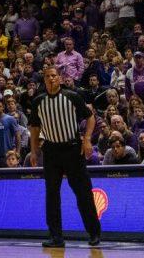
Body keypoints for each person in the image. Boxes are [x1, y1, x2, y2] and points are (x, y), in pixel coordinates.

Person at [29, 66, 101, 247]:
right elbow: (35, 129)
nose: (51, 79)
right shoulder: (38, 101)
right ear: (44, 80)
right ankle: (56, 237)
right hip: (51, 151)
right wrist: (34, 151)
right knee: (52, 195)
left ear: (59, 78)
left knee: (83, 192)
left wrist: (87, 140)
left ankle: (94, 233)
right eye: (47, 77)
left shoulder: (72, 96)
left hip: (72, 149)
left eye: (54, 76)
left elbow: (90, 117)